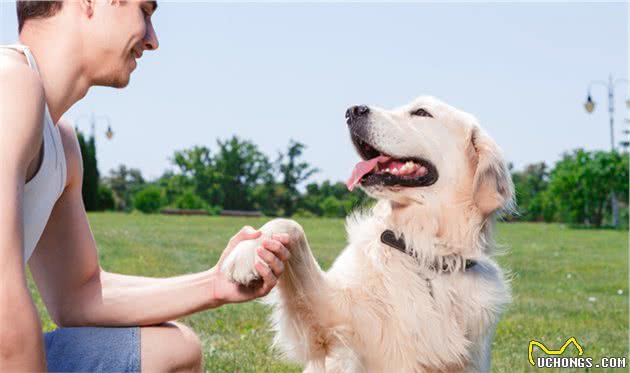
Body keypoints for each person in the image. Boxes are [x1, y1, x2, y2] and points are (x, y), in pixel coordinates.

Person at [0, 1, 291, 371]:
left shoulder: (61, 142)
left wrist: (214, 285)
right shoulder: (9, 83)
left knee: (173, 351)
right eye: (145, 11)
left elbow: (78, 295)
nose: (152, 40)